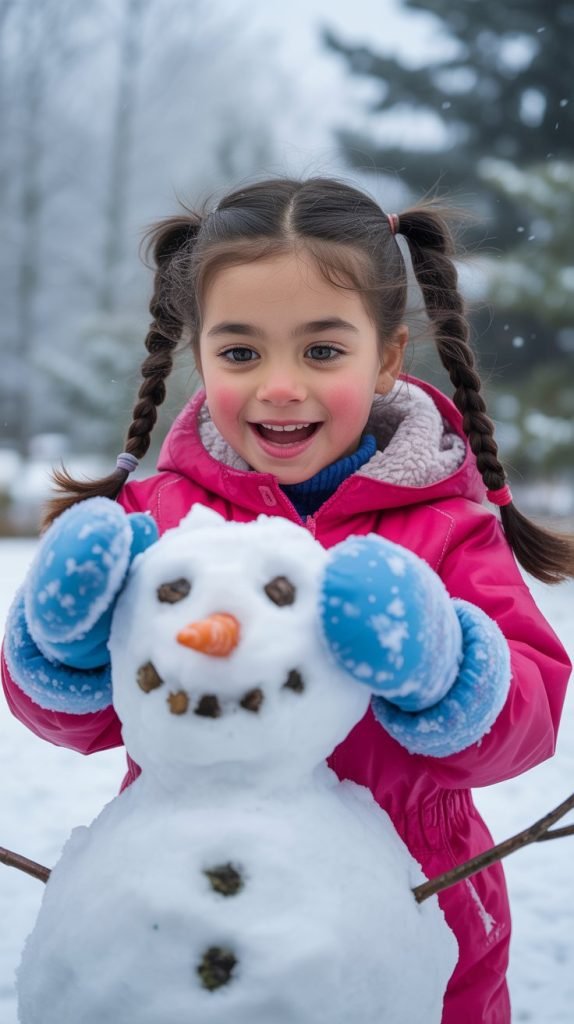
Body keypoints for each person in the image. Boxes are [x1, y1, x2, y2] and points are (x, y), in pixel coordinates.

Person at [2, 177, 572, 1023]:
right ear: (200, 358)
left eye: (321, 351)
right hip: (181, 906)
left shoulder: (447, 530)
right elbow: (81, 724)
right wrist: (62, 650)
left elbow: (530, 718)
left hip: (415, 903)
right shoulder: (157, 525)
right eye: (241, 353)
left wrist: (443, 668)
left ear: (386, 358)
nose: (278, 385)